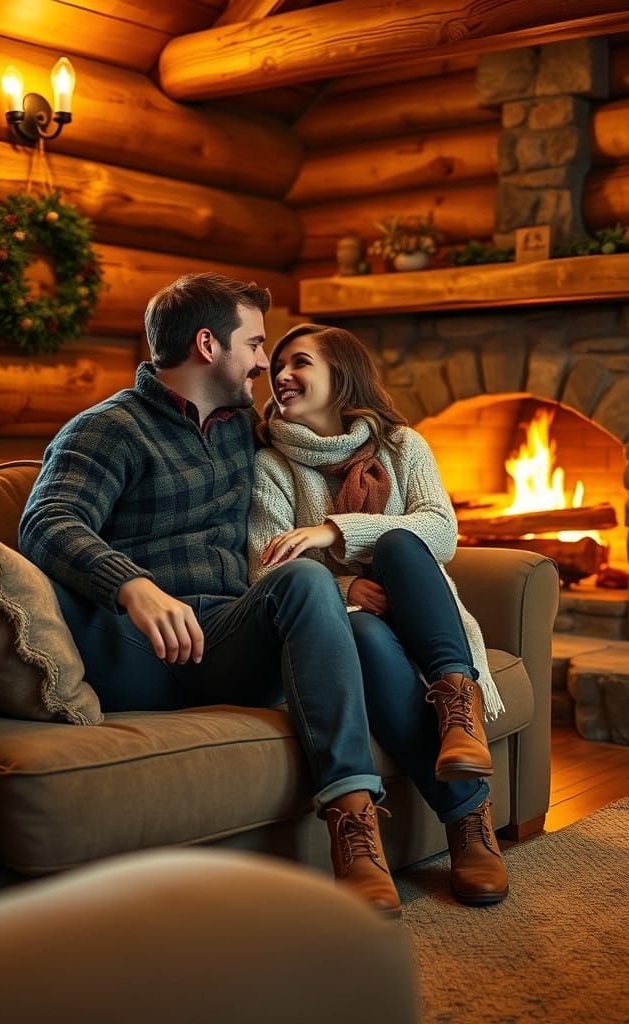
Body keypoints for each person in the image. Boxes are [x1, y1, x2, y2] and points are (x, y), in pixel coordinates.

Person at [20, 273, 404, 917]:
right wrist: (132, 586)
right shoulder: (108, 428)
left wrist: (369, 494)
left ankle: (354, 828)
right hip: (136, 648)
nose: (265, 361)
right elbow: (46, 521)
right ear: (207, 344)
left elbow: (328, 440)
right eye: (255, 344)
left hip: (225, 641)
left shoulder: (245, 429)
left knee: (305, 581)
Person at [247, 323, 510, 907]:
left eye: (301, 363)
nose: (282, 374)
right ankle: (469, 822)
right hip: (348, 628)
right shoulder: (273, 466)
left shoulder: (401, 446)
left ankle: (458, 711)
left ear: (341, 375)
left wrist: (333, 530)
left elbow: (441, 533)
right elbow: (265, 572)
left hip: (425, 614)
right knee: (363, 631)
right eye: (278, 365)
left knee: (400, 545)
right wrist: (347, 587)